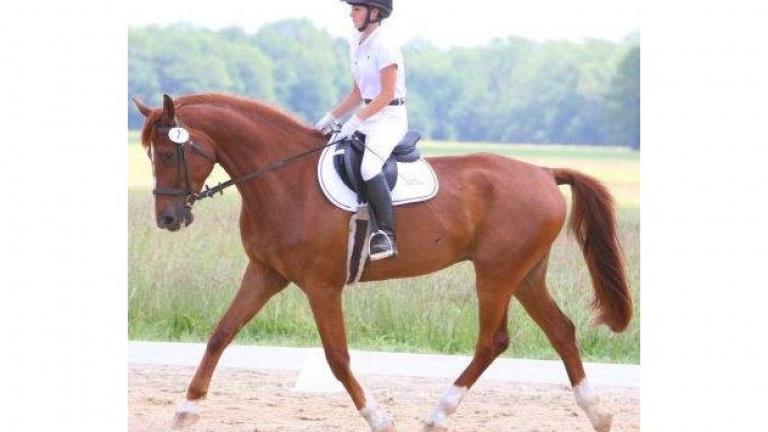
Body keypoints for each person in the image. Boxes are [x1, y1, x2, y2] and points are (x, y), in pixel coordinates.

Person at [314, 0, 406, 261]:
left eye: (356, 9)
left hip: (390, 117)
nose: (350, 13)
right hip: (367, 114)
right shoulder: (356, 44)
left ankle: (385, 235)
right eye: (352, 9)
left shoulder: (385, 44)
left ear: (374, 13)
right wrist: (330, 116)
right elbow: (357, 93)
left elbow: (387, 94)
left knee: (369, 167)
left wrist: (353, 123)